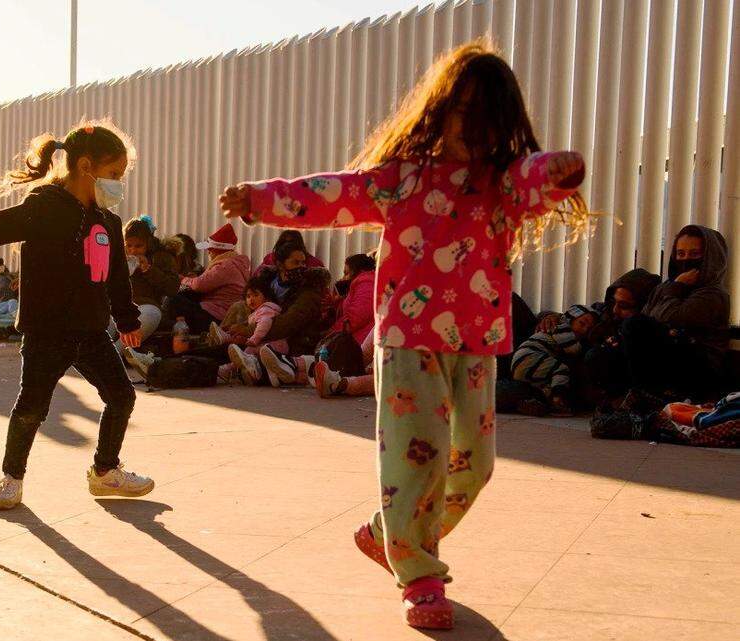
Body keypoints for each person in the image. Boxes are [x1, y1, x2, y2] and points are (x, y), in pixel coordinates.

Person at [220, 41, 587, 630]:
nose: (470, 125)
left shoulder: (502, 184)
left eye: (485, 114)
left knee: (474, 463)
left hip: (476, 340)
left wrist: (560, 170)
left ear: (504, 122)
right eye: (460, 109)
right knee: (418, 456)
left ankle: (386, 531)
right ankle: (418, 572)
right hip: (408, 338)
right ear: (438, 110)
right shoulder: (404, 178)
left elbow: (539, 178)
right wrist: (262, 200)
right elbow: (333, 194)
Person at [0, 121, 156, 511]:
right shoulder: (43, 207)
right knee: (32, 408)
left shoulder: (108, 222)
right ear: (86, 165)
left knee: (121, 396)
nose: (118, 185)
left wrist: (128, 321)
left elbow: (117, 279)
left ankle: (105, 472)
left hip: (90, 330)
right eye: (113, 175)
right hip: (46, 331)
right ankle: (11, 478)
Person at [588, 225, 730, 405]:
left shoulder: (712, 295)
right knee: (599, 354)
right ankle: (626, 401)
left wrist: (675, 288)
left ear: (710, 258)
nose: (686, 260)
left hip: (698, 369)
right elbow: (651, 316)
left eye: (694, 254)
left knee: (635, 326)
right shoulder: (666, 288)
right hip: (665, 358)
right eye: (681, 254)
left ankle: (646, 400)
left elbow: (669, 318)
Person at [255, 252, 379, 395]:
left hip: (355, 343)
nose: (343, 278)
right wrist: (336, 304)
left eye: (346, 273)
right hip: (354, 345)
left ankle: (267, 368)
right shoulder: (362, 284)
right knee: (324, 364)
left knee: (329, 361)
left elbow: (356, 317)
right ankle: (272, 369)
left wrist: (328, 334)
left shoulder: (366, 282)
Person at [231, 242, 334, 386]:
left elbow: (287, 324)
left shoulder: (308, 291)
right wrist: (238, 330)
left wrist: (247, 331)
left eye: (303, 262)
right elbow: (262, 313)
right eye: (295, 262)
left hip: (294, 344)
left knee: (253, 356)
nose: (301, 267)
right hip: (266, 337)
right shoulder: (271, 284)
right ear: (280, 264)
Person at [510, 304, 598, 416]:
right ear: (570, 319)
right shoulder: (562, 328)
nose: (585, 330)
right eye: (582, 323)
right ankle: (558, 398)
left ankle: (543, 404)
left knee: (547, 385)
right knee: (562, 370)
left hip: (523, 362)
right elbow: (573, 350)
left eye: (589, 329)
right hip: (530, 356)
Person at [166, 223, 251, 333]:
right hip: (216, 311)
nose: (208, 252)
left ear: (217, 250)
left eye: (210, 249)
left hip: (216, 316)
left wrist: (183, 279)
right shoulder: (234, 263)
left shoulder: (225, 266)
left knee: (175, 300)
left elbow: (199, 285)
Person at [211, 275, 286, 384]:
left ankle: (228, 369)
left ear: (267, 297)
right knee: (246, 352)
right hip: (264, 344)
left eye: (256, 295)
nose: (251, 299)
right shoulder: (258, 311)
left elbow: (264, 324)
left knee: (246, 353)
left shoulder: (266, 309)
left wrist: (255, 338)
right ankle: (226, 340)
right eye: (248, 296)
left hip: (274, 345)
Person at [123, 215, 179, 343]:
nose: (132, 251)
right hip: (120, 306)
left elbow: (172, 288)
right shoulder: (118, 256)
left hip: (147, 305)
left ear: (148, 243)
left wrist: (149, 270)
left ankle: (118, 354)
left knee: (150, 316)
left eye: (138, 246)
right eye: (129, 246)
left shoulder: (160, 257)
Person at [251, 229, 327, 278]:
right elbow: (255, 284)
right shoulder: (270, 259)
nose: (288, 247)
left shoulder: (314, 264)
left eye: (292, 244)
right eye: (285, 244)